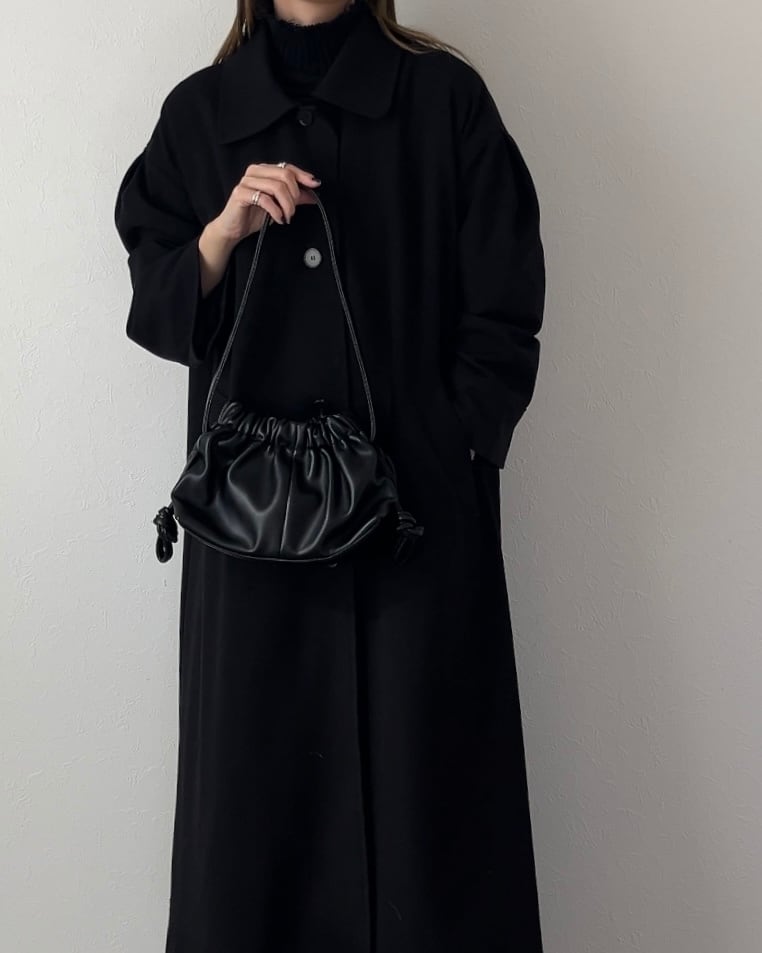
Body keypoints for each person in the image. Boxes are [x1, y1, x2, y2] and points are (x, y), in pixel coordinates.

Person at [113, 1, 547, 951]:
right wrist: (221, 236)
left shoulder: (443, 101)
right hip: (248, 554)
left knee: (432, 843)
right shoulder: (200, 115)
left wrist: (452, 451)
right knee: (256, 847)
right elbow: (155, 304)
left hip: (416, 543)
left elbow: (506, 306)